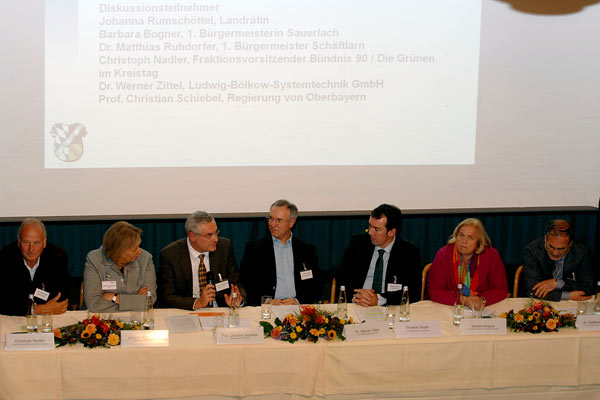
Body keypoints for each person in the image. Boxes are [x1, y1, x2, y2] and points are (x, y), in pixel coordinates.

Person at [337, 204, 421, 306]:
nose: (370, 233)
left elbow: (413, 293)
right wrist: (359, 296)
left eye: (376, 229)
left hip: (389, 308)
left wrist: (379, 300)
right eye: (369, 226)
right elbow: (342, 278)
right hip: (357, 303)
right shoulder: (357, 244)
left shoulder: (409, 252)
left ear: (391, 232)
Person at [240, 199, 320, 306]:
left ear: (291, 222)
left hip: (298, 309)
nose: (273, 224)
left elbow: (316, 286)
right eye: (271, 219)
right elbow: (246, 284)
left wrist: (297, 301)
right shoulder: (255, 249)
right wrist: (267, 301)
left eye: (278, 220)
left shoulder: (306, 250)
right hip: (267, 309)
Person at [158, 211, 244, 309]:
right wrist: (197, 302)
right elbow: (167, 296)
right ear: (192, 236)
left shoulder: (224, 248)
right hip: (187, 311)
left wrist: (236, 298)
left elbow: (236, 282)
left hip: (220, 310)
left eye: (216, 233)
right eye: (209, 235)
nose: (215, 239)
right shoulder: (171, 255)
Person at [427, 218, 508, 307]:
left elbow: (501, 289)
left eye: (470, 237)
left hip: (481, 308)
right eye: (461, 235)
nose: (464, 241)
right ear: (455, 236)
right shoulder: (443, 254)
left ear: (479, 241)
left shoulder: (491, 256)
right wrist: (463, 300)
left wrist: (483, 300)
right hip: (450, 306)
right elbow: (435, 291)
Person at [0, 218, 69, 316]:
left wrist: (22, 306)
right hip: (15, 320)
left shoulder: (57, 257)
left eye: (36, 243)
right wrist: (39, 309)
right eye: (26, 242)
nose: (31, 249)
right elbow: (3, 304)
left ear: (44, 243)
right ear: (19, 242)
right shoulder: (4, 259)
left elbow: (60, 302)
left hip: (47, 319)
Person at [83, 221, 156, 312]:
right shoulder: (94, 259)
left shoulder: (145, 259)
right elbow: (94, 304)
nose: (139, 252)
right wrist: (136, 301)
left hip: (137, 319)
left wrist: (115, 297)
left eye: (139, 246)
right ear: (119, 252)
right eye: (134, 249)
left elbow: (149, 301)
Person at [522, 219, 594, 301]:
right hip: (541, 304)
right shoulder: (532, 251)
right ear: (546, 239)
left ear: (570, 244)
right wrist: (567, 296)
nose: (555, 253)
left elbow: (588, 287)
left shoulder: (582, 252)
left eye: (561, 249)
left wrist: (558, 283)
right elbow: (532, 291)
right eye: (551, 247)